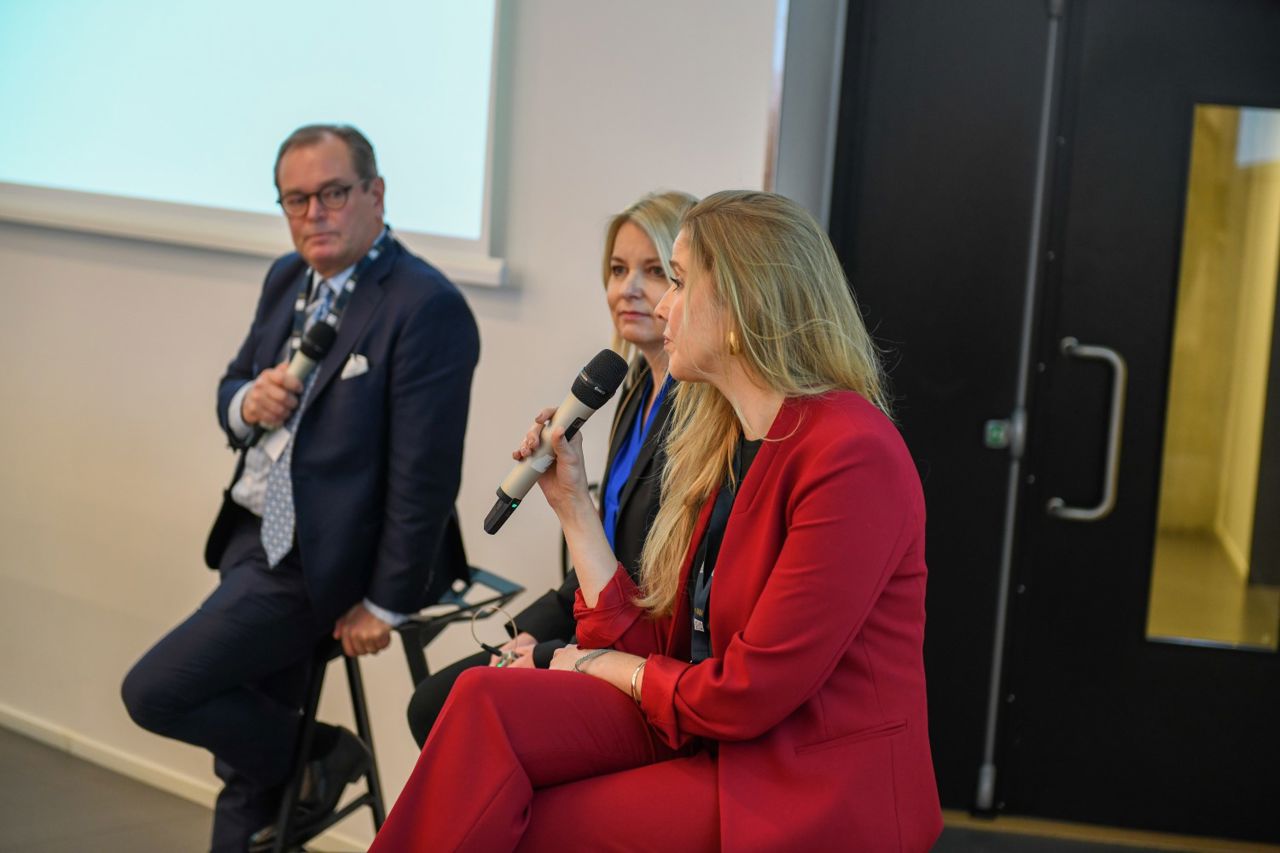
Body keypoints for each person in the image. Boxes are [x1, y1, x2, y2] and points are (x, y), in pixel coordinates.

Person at [370, 190, 942, 851]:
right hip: (707, 729)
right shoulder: (726, 436)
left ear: (741, 299)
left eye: (676, 279)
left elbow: (746, 694)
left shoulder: (850, 453)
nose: (661, 304)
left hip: (793, 773)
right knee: (480, 699)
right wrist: (573, 506)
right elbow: (666, 647)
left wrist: (588, 662)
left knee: (531, 821)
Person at [120, 124, 479, 852]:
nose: (314, 212)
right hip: (254, 533)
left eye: (333, 193)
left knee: (153, 690)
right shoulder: (289, 277)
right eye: (295, 199)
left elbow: (425, 476)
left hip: (322, 562)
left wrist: (386, 600)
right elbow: (234, 380)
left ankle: (320, 751)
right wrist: (244, 402)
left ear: (374, 195)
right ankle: (303, 759)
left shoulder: (423, 305)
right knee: (251, 779)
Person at [406, 190, 695, 747]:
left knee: (450, 713)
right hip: (597, 620)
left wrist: (548, 654)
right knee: (435, 705)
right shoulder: (631, 383)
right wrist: (529, 632)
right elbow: (604, 545)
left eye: (657, 272)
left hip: (641, 654)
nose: (628, 289)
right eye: (617, 269)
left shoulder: (697, 411)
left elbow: (644, 575)